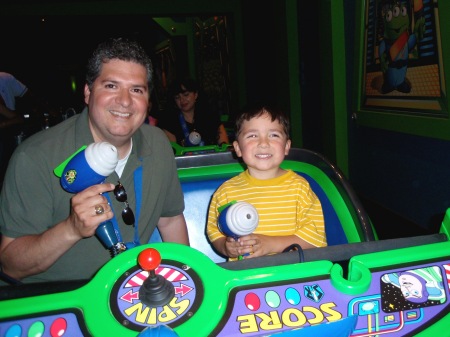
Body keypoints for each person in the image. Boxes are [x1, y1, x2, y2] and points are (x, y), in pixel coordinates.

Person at [0, 37, 189, 285]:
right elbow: (10, 265)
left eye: (136, 89)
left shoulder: (158, 143)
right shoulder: (35, 157)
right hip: (57, 302)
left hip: (132, 293)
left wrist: (188, 279)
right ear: (88, 92)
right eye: (111, 86)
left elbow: (170, 219)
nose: (124, 100)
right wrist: (71, 229)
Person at [206, 103, 326, 261]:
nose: (264, 143)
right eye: (252, 136)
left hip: (292, 276)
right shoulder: (226, 191)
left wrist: (269, 244)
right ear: (238, 148)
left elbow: (315, 240)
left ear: (286, 146)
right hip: (246, 279)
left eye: (274, 135)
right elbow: (215, 232)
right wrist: (226, 247)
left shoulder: (300, 188)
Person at [158, 77, 229, 147]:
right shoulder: (169, 121)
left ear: (196, 95)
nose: (182, 100)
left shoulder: (211, 116)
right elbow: (172, 151)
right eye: (177, 97)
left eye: (186, 95)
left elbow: (224, 145)